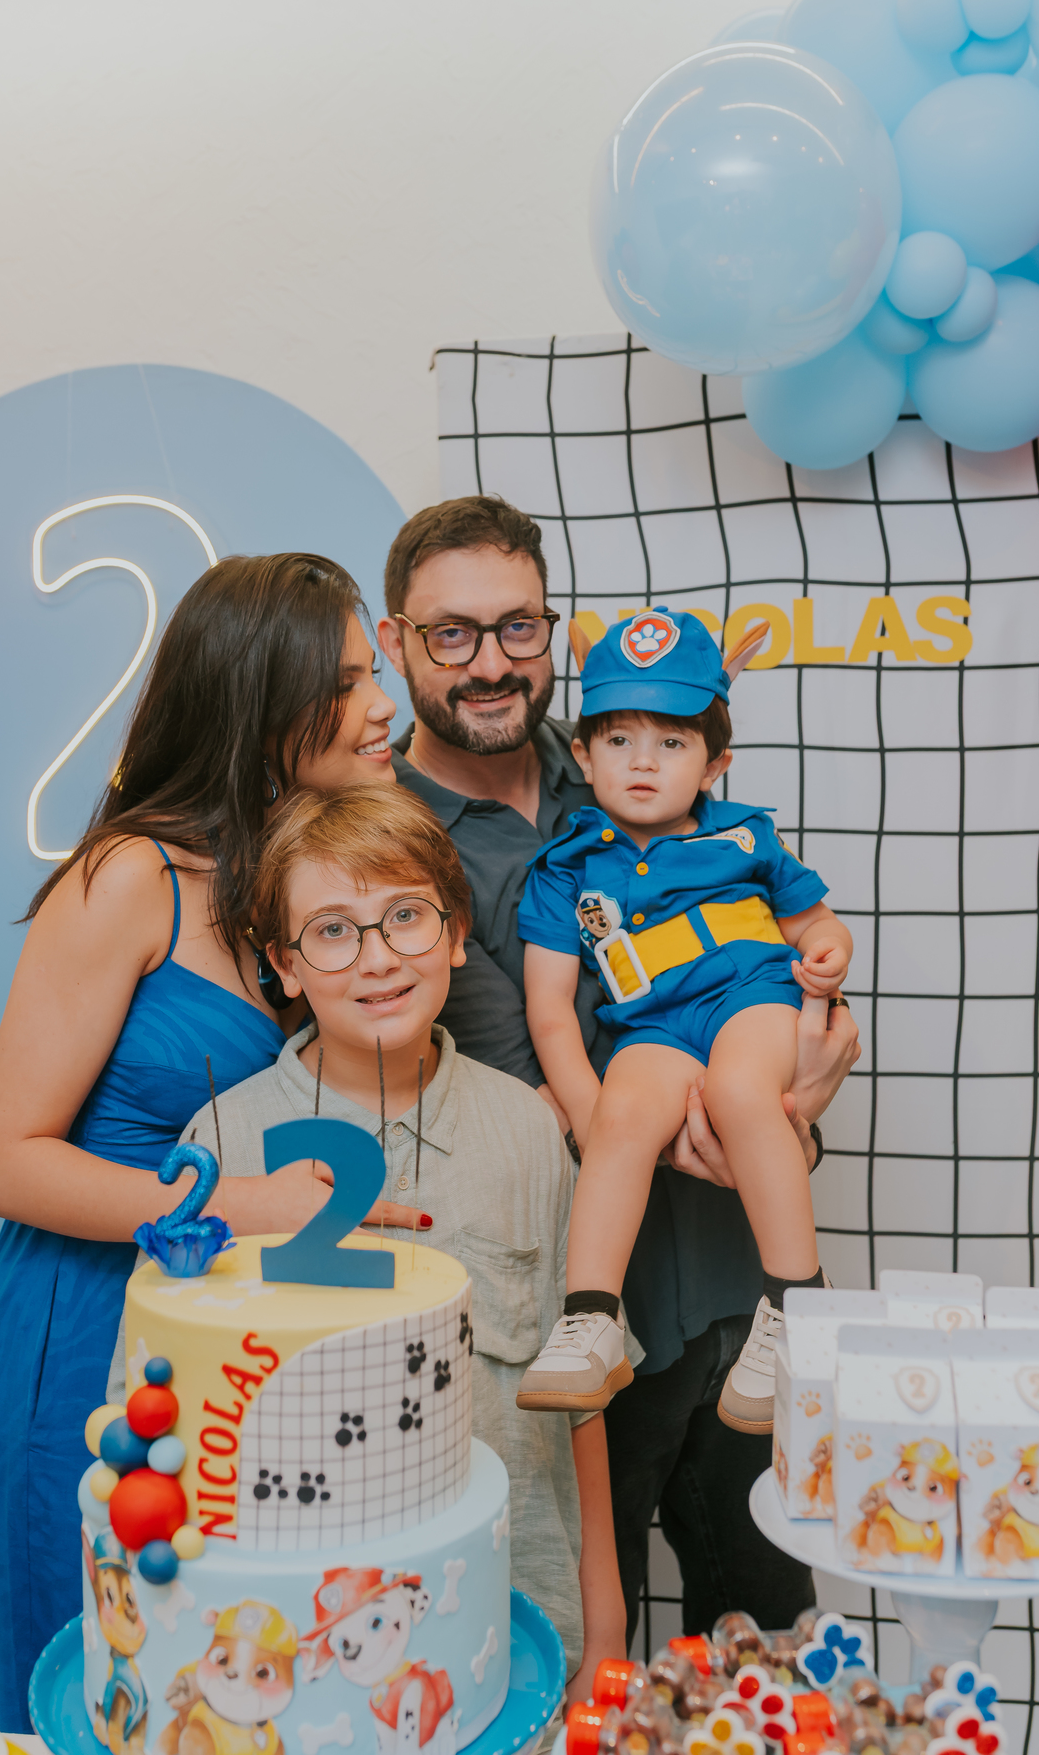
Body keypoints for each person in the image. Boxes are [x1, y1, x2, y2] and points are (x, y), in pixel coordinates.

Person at [377, 495, 861, 1641]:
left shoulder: (627, 745)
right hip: (575, 1326)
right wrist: (743, 1124)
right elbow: (517, 1087)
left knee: (764, 1651)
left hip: (736, 1299)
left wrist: (798, 1084)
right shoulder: (388, 840)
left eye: (519, 628)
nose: (492, 663)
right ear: (395, 642)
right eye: (453, 634)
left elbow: (782, 963)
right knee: (594, 1655)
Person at [0, 553, 422, 1730]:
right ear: (265, 697)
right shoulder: (128, 875)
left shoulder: (290, 876)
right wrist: (233, 1209)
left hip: (218, 1335)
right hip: (81, 1326)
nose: (386, 706)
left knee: (213, 1683)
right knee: (84, 1674)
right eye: (356, 680)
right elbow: (1, 1161)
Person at [112, 781, 630, 1701]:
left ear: (458, 932)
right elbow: (153, 1413)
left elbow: (580, 1398)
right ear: (284, 963)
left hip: (514, 1620)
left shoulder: (528, 1132)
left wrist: (606, 1616)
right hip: (292, 1657)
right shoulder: (219, 1147)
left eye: (406, 917)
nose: (378, 957)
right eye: (333, 930)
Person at [514, 609, 851, 1428]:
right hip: (655, 1025)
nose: (642, 763)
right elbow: (551, 1007)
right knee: (624, 1110)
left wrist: (829, 952)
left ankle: (797, 1307)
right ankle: (591, 1315)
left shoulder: (745, 839)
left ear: (713, 764)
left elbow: (814, 922)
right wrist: (594, 1122)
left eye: (671, 743)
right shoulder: (566, 868)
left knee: (743, 1092)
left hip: (751, 998)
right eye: (620, 740)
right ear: (582, 753)